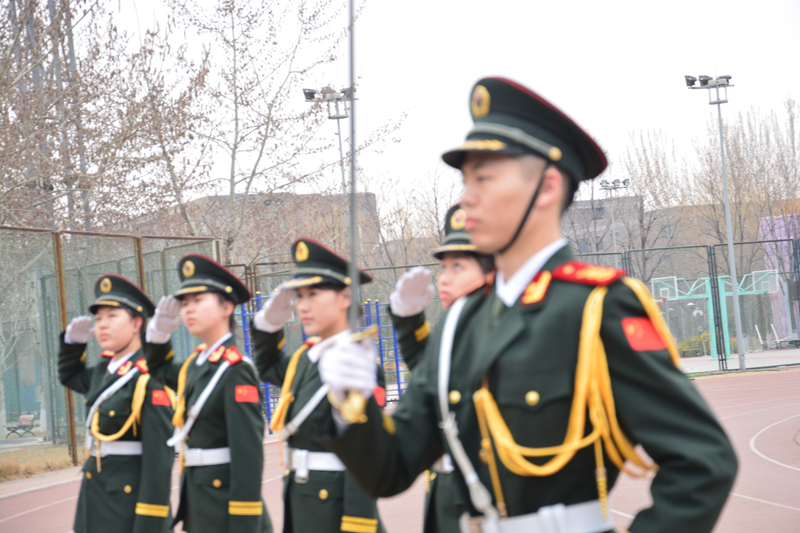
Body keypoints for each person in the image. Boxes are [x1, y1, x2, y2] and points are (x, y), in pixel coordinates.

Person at [317, 77, 738, 533]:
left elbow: (703, 462)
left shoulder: (595, 307)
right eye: (465, 180)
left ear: (547, 187)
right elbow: (389, 470)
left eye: (484, 178)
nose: (466, 197)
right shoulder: (461, 320)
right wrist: (350, 404)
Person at [251, 238, 386, 533]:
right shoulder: (306, 358)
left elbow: (365, 455)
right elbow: (269, 367)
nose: (302, 305)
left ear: (345, 297)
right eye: (299, 296)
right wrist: (268, 327)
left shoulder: (357, 364)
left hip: (336, 509)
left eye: (313, 294)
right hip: (304, 501)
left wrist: (358, 525)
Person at [144, 254, 272, 533]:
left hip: (227, 512)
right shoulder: (196, 365)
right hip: (201, 505)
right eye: (185, 303)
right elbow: (157, 370)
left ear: (227, 307)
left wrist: (244, 523)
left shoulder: (236, 370)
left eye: (198, 300)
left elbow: (248, 457)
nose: (188, 309)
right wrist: (158, 335)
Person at [389, 204, 494, 533]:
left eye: (458, 266)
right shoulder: (450, 331)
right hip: (447, 499)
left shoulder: (509, 334)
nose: (444, 277)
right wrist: (408, 319)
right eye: (443, 266)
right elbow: (431, 376)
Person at [58, 274, 174, 533]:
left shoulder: (149, 376)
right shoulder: (104, 370)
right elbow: (70, 376)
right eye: (99, 318)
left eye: (112, 316)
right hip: (95, 497)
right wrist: (72, 346)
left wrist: (150, 523)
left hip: (127, 507)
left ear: (136, 323)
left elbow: (159, 461)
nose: (102, 325)